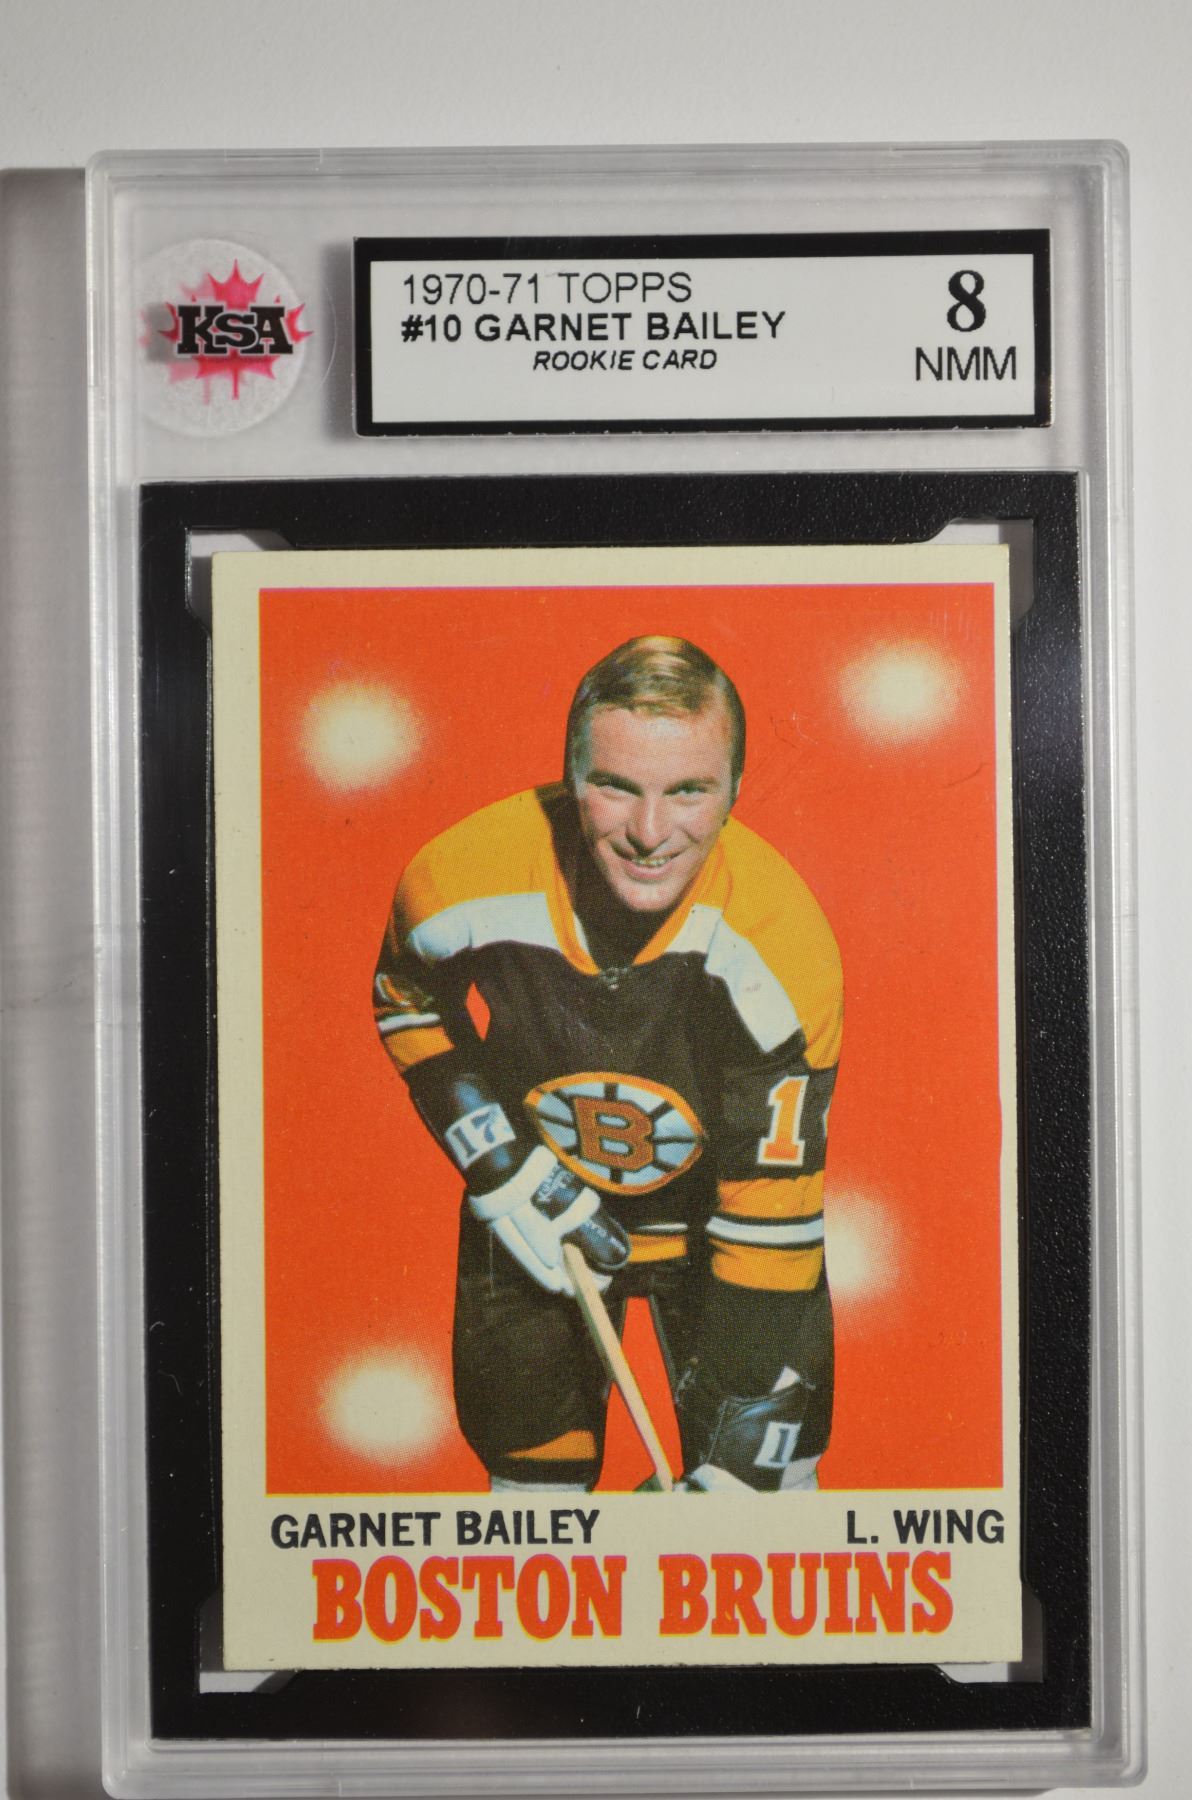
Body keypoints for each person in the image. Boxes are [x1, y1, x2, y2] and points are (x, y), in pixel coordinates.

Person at [373, 636, 842, 1494]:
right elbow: (407, 1000)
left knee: (764, 1509)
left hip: (725, 1241)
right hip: (538, 1219)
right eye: (616, 786)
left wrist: (740, 1451)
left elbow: (769, 1227)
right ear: (568, 777)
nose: (650, 833)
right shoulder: (459, 876)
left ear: (737, 789)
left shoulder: (781, 945)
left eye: (689, 790)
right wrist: (498, 1159)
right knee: (530, 1521)